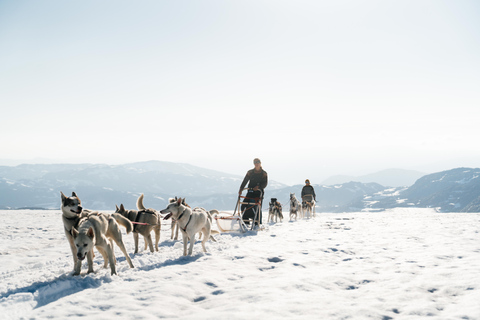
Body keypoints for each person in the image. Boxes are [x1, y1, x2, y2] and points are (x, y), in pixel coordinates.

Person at [238, 158, 268, 225]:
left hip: (259, 193)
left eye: (257, 162)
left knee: (257, 207)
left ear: (260, 163)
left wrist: (259, 187)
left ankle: (257, 223)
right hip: (250, 191)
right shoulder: (250, 172)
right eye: (255, 163)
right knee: (243, 206)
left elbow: (265, 183)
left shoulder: (264, 173)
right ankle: (246, 222)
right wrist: (241, 189)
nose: (256, 164)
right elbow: (245, 181)